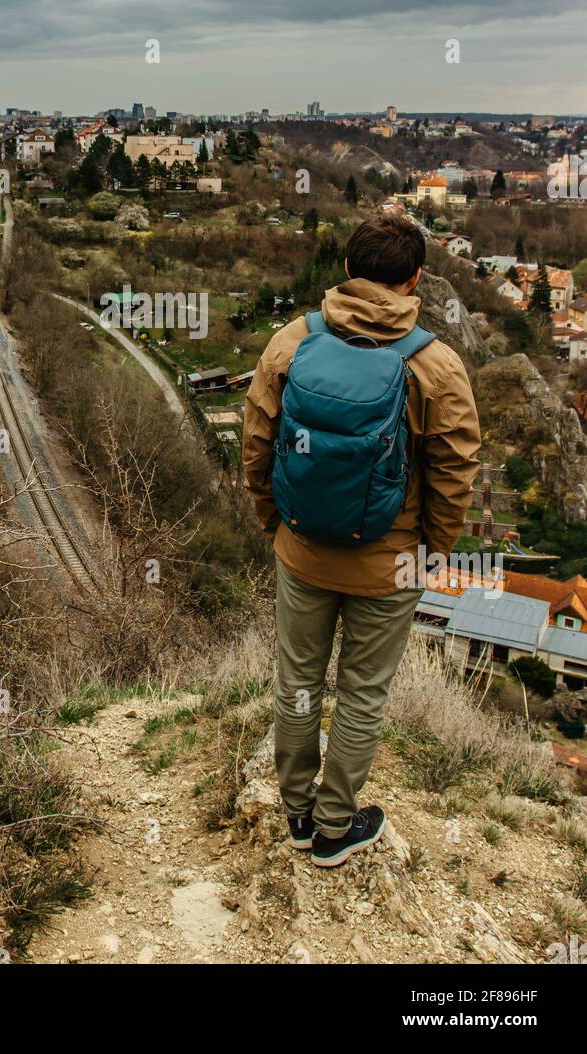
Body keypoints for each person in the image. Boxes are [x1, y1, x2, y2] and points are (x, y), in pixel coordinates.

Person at [241, 213, 480, 867]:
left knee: (298, 681)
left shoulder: (292, 342)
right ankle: (333, 829)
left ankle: (295, 814)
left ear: (346, 271)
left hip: (303, 550)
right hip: (390, 562)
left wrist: (276, 524)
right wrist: (431, 550)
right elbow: (454, 472)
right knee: (362, 691)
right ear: (415, 281)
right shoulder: (436, 365)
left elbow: (256, 444)